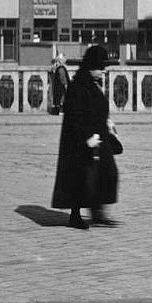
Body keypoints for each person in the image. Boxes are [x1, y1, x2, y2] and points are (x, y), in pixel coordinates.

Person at [50, 45, 121, 229]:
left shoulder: (94, 83)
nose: (102, 71)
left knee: (107, 172)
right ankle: (75, 215)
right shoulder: (78, 85)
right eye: (99, 68)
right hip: (82, 139)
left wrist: (108, 123)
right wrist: (86, 138)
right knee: (81, 176)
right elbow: (75, 116)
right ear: (91, 66)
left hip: (99, 135)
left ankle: (98, 212)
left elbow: (99, 107)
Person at [47, 51, 70, 117]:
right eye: (64, 58)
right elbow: (63, 79)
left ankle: (56, 111)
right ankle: (61, 111)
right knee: (62, 99)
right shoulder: (61, 68)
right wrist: (66, 86)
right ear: (61, 60)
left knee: (57, 100)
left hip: (56, 88)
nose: (65, 60)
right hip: (61, 88)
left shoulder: (57, 68)